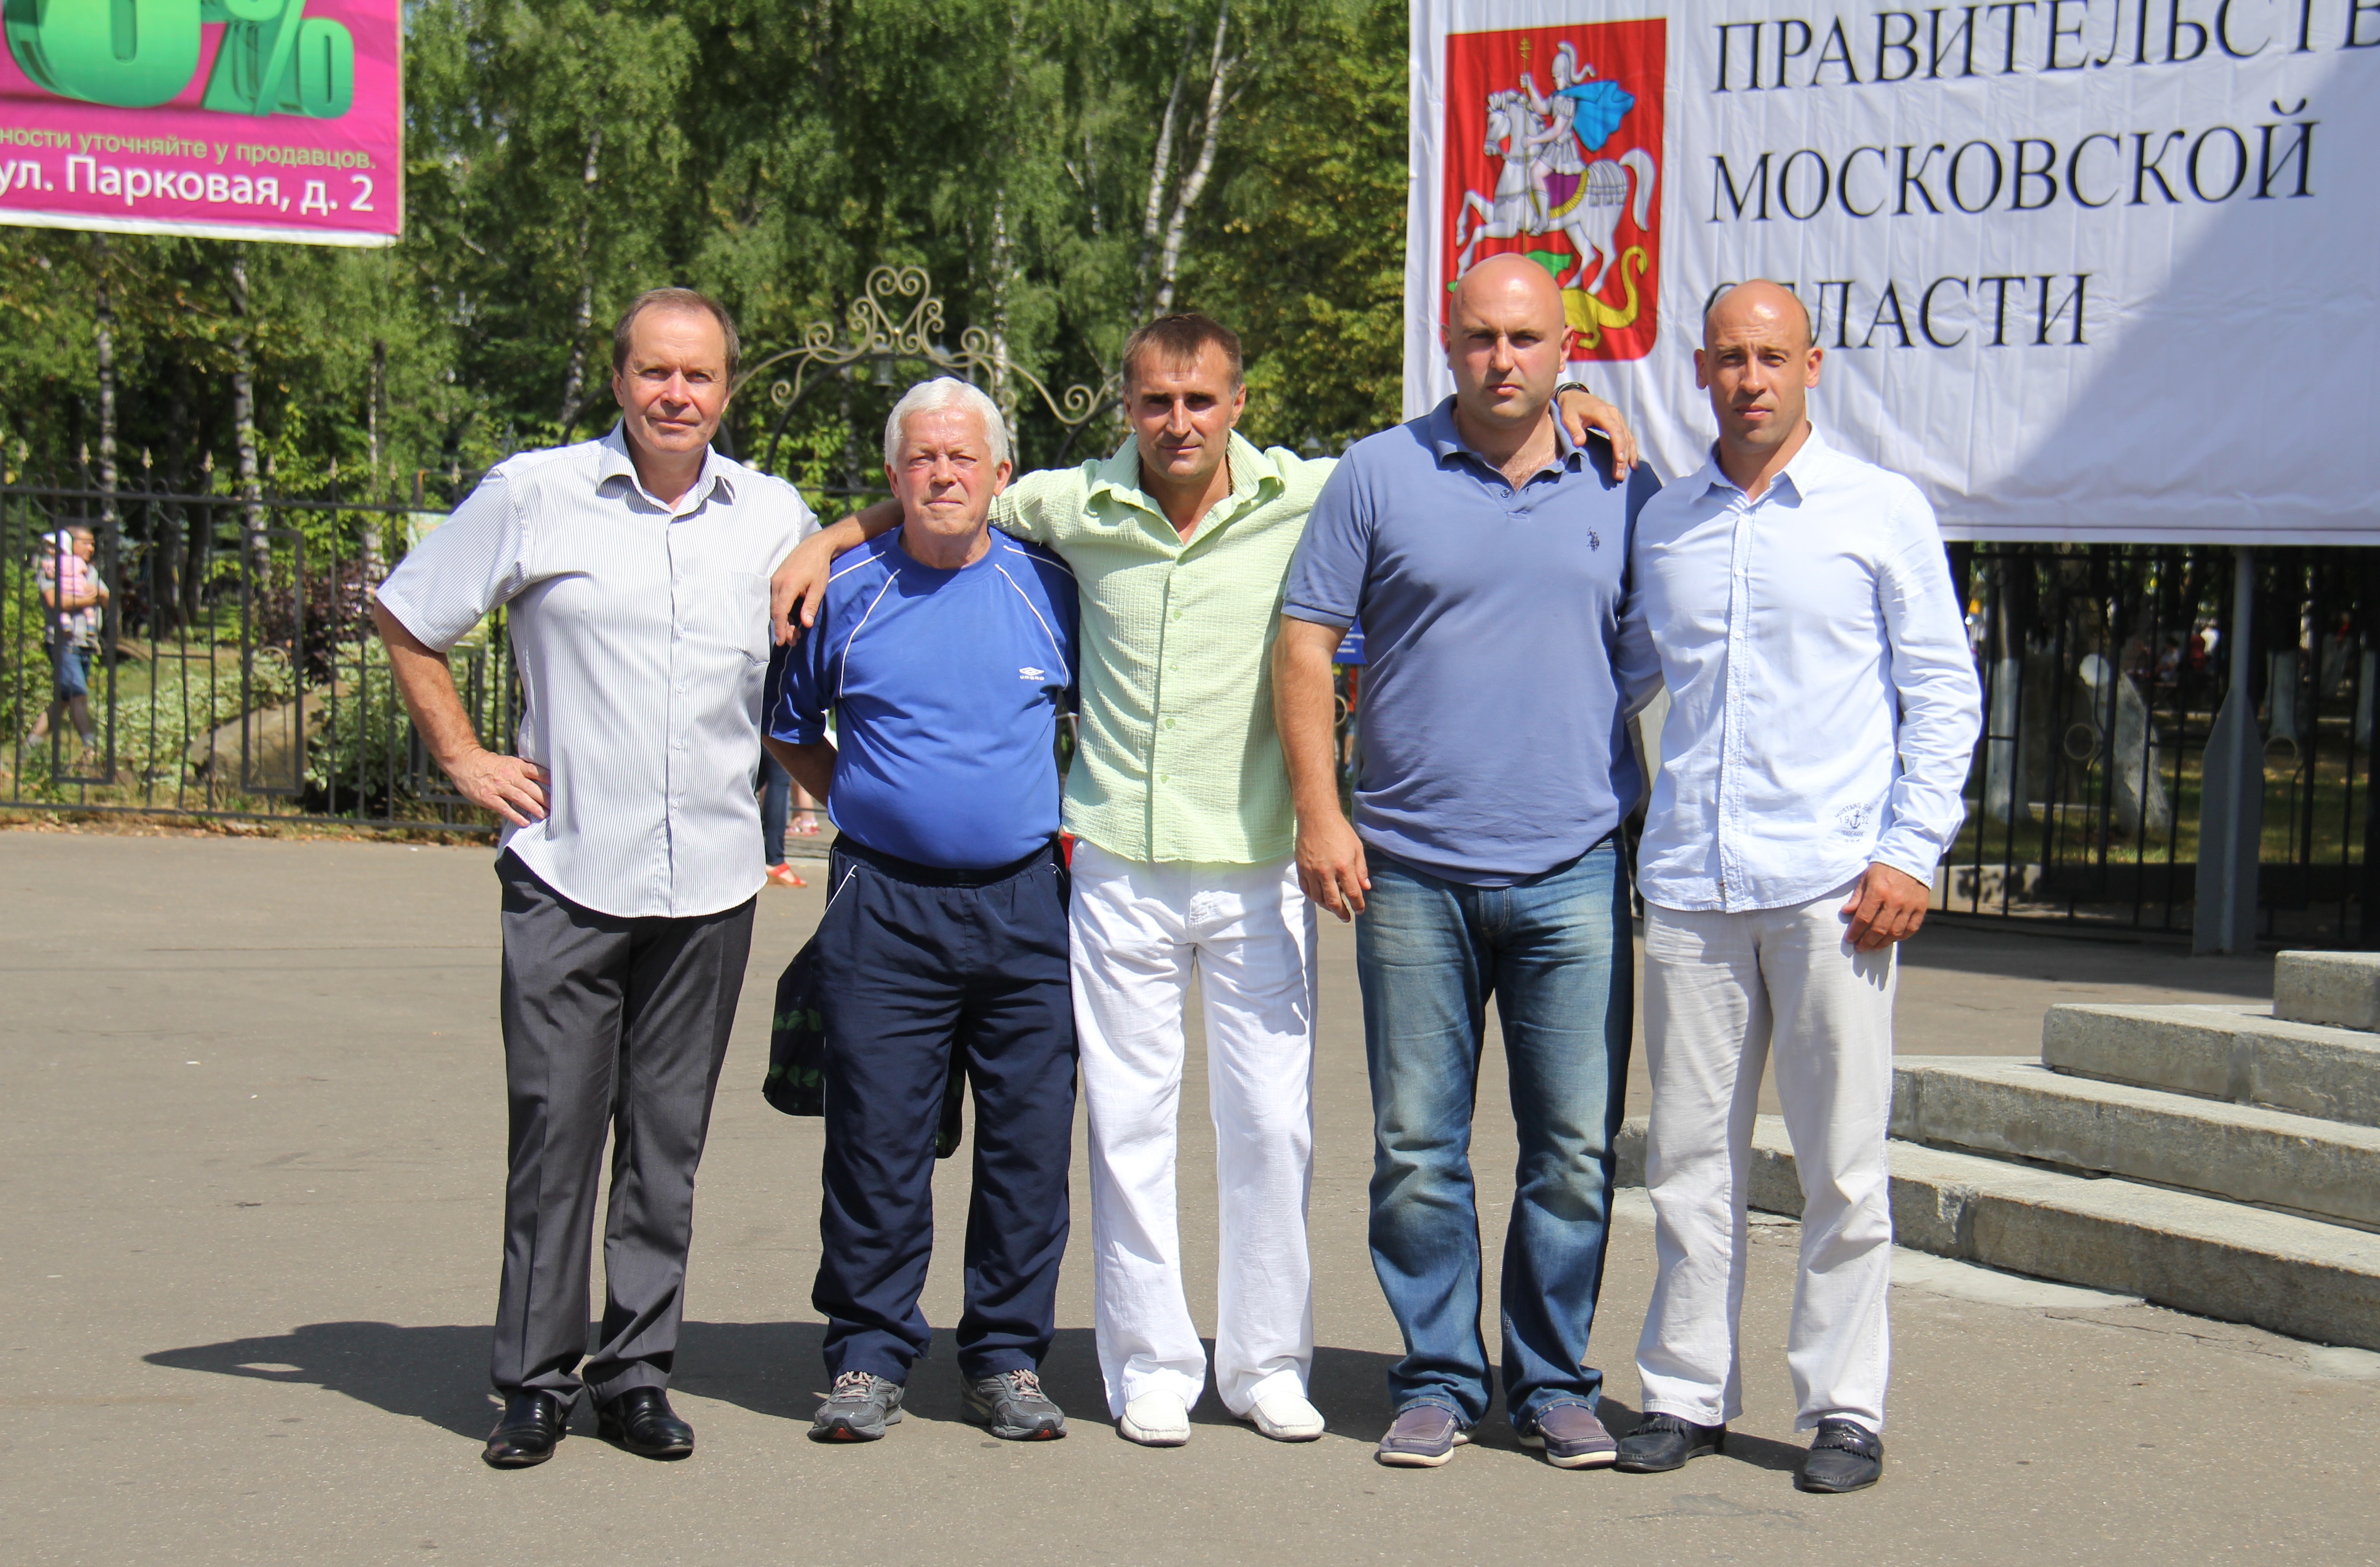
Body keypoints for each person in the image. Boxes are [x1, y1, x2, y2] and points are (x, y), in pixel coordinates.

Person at [773, 314, 1639, 1448]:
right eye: (1154, 401)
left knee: (1270, 1127)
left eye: (1198, 401)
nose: (1176, 422)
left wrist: (1561, 405)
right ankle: (1149, 1364)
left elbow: (1455, 438)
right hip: (1117, 868)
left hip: (1257, 861)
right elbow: (949, 489)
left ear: (1237, 405)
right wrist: (832, 535)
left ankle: (1265, 1361)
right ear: (1125, 408)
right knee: (1127, 1129)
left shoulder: (1311, 492)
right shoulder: (1072, 505)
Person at [373, 287, 816, 1470]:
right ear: (618, 380)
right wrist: (462, 757)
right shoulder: (536, 494)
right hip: (568, 873)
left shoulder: (773, 513)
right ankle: (532, 1380)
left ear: (726, 390)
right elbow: (408, 615)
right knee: (556, 1135)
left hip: (711, 884)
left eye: (698, 376)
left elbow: (833, 614)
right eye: (654, 372)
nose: (676, 394)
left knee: (667, 1146)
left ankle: (635, 1374)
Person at [1275, 254, 1662, 1471]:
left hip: (1573, 865)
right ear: (1448, 346)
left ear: (1564, 351)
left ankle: (1551, 1384)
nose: (1503, 359)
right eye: (1481, 337)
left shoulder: (1621, 481)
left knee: (1573, 1150)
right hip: (1408, 867)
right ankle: (1438, 1378)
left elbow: (1652, 646)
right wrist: (1321, 813)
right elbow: (1304, 642)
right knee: (1414, 1151)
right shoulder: (1377, 473)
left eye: (1526, 338)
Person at [1611, 280, 1981, 1495]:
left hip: (1834, 888)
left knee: (1842, 1166)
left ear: (1811, 366)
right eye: (1729, 358)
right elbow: (1617, 676)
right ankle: (1684, 1394)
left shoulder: (1878, 510)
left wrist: (1910, 850)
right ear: (1700, 371)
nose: (1750, 379)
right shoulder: (1666, 523)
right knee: (1686, 1163)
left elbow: (1943, 690)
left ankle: (1842, 1411)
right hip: (1691, 888)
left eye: (1771, 357)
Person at [776, 377, 1080, 1446]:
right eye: (921, 458)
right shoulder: (844, 590)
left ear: (1001, 474)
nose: (942, 474)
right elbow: (789, 727)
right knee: (876, 1139)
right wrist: (870, 800)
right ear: (892, 474)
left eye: (962, 458)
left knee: (1028, 1147)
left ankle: (1004, 1358)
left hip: (1027, 906)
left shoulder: (1051, 586)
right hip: (884, 906)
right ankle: (867, 1352)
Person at [29, 527, 105, 755]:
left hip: (86, 644)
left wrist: (96, 595)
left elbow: (106, 598)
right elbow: (56, 601)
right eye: (86, 543)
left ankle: (27, 750)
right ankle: (92, 750)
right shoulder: (50, 568)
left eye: (93, 544)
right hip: (64, 643)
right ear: (71, 544)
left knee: (63, 701)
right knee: (78, 695)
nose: (91, 548)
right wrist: (87, 599)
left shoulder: (90, 570)